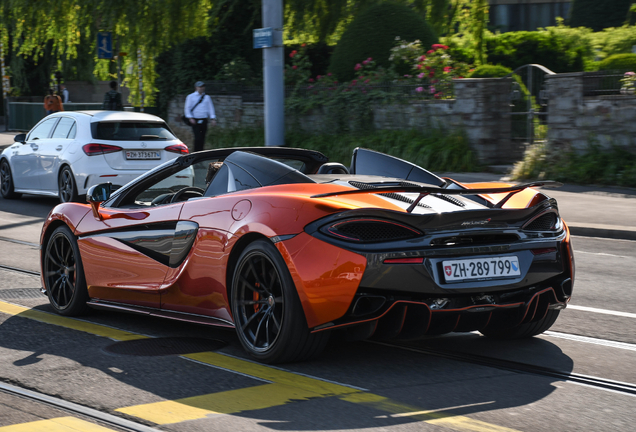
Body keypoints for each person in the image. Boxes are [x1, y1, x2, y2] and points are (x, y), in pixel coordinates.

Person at [184, 81, 217, 152]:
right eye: (200, 87)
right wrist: (190, 117)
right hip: (195, 120)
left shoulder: (207, 97)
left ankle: (201, 151)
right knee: (197, 137)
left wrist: (213, 118)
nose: (201, 88)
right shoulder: (190, 97)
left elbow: (210, 108)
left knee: (202, 137)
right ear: (196, 88)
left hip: (204, 119)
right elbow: (187, 108)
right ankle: (196, 151)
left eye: (203, 87)